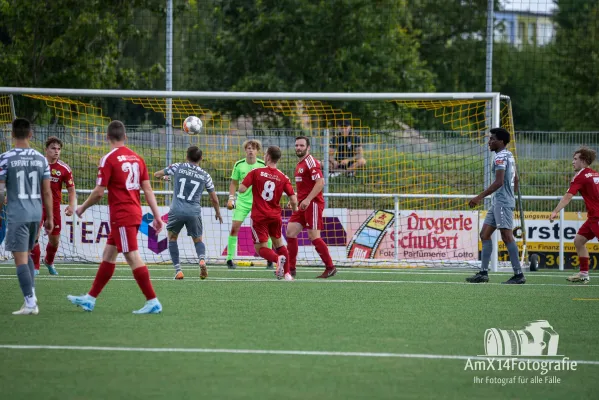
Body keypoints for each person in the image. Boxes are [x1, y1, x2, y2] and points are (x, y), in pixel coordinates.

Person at [67, 120, 164, 314]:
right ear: (125, 137)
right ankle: (90, 298)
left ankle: (153, 301)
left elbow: (98, 192)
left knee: (132, 256)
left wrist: (82, 208)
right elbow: (147, 189)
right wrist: (157, 215)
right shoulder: (138, 158)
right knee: (108, 255)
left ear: (107, 137)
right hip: (132, 213)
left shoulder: (108, 159)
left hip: (122, 215)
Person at [0, 118, 53, 315]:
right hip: (35, 214)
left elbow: (1, 190)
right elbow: (47, 192)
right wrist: (50, 218)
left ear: (12, 134)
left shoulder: (5, 158)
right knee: (28, 254)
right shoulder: (41, 159)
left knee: (20, 258)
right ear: (31, 134)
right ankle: (31, 295)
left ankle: (30, 303)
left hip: (18, 214)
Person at [466, 127, 525, 284]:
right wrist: (511, 195)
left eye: (492, 139)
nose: (489, 141)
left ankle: (518, 275)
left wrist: (479, 197)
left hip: (502, 202)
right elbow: (516, 179)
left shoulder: (500, 158)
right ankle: (483, 273)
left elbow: (499, 182)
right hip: (499, 202)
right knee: (484, 234)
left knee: (507, 236)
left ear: (501, 141)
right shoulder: (509, 155)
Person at [154, 146, 223, 280]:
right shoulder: (205, 175)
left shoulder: (177, 167)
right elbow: (214, 198)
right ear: (201, 159)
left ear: (186, 156)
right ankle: (202, 259)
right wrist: (218, 212)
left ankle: (178, 270)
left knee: (172, 238)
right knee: (198, 240)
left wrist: (166, 178)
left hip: (177, 210)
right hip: (193, 211)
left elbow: (157, 174)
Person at [238, 146, 298, 281]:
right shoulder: (283, 177)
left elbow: (241, 189)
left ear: (268, 157)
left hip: (259, 216)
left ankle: (277, 259)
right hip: (275, 216)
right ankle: (288, 274)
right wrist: (295, 211)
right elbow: (293, 199)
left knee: (260, 248)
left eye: (265, 154)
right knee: (279, 244)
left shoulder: (256, 172)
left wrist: (248, 184)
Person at [286, 136, 337, 279]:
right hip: (302, 204)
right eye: (296, 145)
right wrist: (295, 198)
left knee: (313, 236)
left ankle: (330, 267)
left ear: (308, 147)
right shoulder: (299, 164)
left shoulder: (311, 162)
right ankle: (291, 268)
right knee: (290, 232)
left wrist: (308, 199)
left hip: (313, 204)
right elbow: (305, 186)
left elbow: (320, 183)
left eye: (301, 145)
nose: (298, 148)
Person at [550, 147, 599, 284]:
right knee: (579, 241)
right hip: (593, 217)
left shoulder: (581, 176)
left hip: (597, 216)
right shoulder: (595, 174)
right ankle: (583, 273)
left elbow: (567, 197)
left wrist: (555, 211)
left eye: (576, 159)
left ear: (583, 160)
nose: (573, 162)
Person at [30, 136, 76, 276]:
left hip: (54, 208)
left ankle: (49, 261)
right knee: (34, 237)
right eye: (53, 148)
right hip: (36, 205)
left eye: (58, 149)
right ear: (46, 149)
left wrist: (71, 205)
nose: (56, 151)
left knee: (54, 241)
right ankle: (35, 266)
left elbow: (71, 190)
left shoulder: (64, 169)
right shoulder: (37, 165)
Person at [226, 139, 274, 269]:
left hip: (259, 203)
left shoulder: (262, 165)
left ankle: (270, 260)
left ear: (257, 151)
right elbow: (233, 183)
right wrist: (231, 198)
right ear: (245, 150)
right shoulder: (239, 164)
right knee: (234, 228)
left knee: (265, 231)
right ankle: (229, 259)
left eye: (253, 148)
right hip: (242, 202)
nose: (250, 150)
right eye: (248, 148)